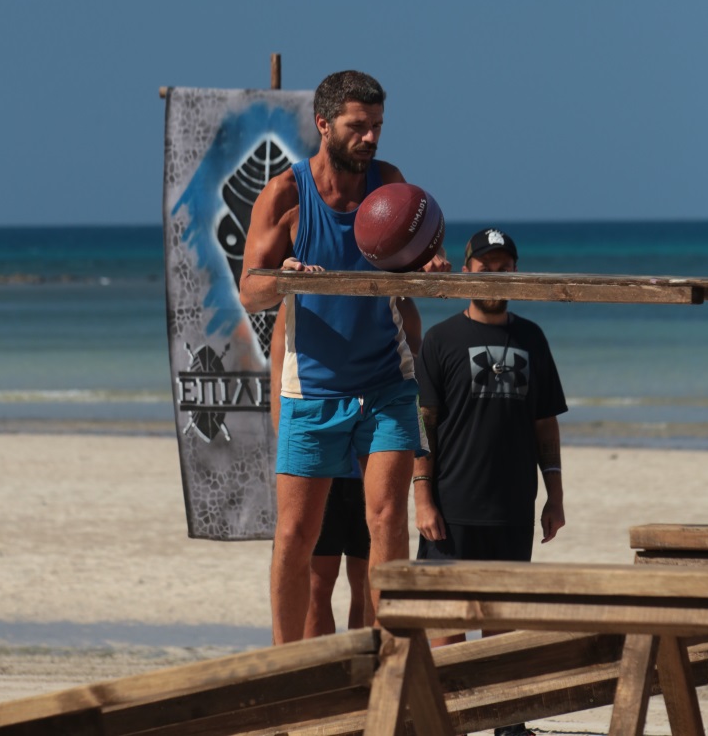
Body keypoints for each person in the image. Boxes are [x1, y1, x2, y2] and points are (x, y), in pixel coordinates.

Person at [239, 69, 447, 644]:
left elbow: (415, 264)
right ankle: (286, 665)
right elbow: (250, 291)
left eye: (377, 125)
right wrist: (283, 278)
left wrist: (429, 266)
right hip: (313, 389)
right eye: (358, 126)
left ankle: (390, 658)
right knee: (295, 536)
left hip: (386, 382)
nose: (371, 137)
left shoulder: (390, 186)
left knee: (388, 519)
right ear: (324, 124)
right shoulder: (286, 194)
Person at [414, 225, 567, 720]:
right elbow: (424, 425)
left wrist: (555, 496)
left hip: (512, 509)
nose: (495, 276)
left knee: (503, 627)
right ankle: (448, 723)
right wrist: (422, 498)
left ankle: (507, 724)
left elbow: (545, 424)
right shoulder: (440, 340)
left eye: (504, 268)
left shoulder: (532, 338)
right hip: (450, 511)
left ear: (516, 272)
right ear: (467, 272)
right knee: (447, 627)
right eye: (486, 268)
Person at [268, 295, 424, 638]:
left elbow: (412, 380)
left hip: (371, 462)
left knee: (365, 578)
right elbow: (279, 380)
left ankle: (372, 661)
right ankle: (314, 666)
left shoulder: (401, 304)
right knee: (318, 582)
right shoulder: (297, 305)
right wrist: (294, 449)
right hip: (324, 461)